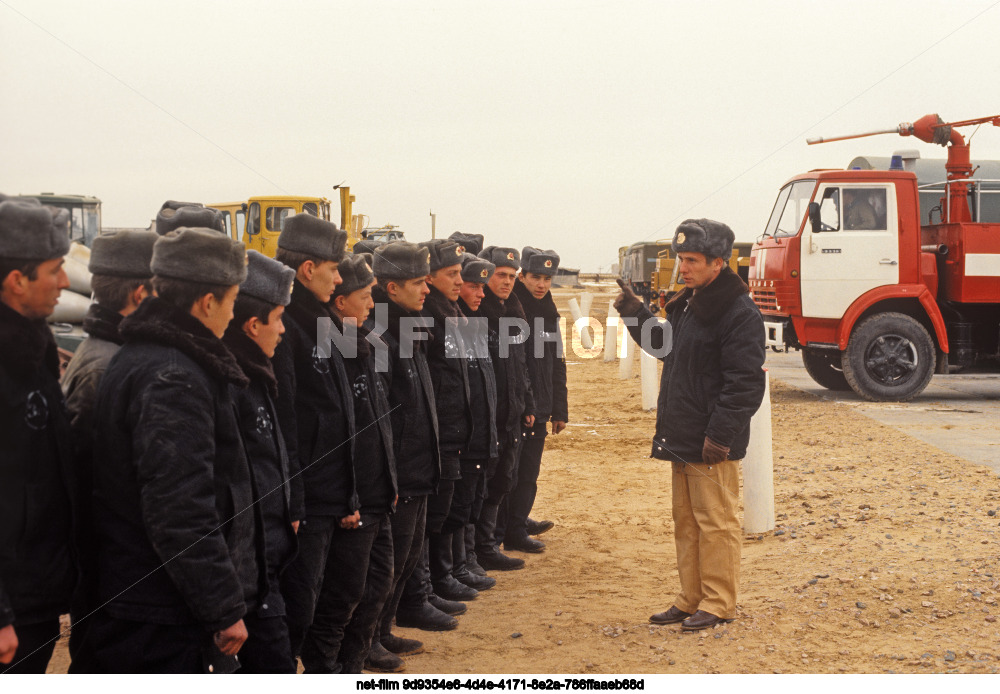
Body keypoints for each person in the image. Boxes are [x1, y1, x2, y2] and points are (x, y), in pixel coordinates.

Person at [84, 227, 256, 672]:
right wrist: (221, 605)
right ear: (206, 302)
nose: (233, 316)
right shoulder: (174, 377)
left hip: (147, 595)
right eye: (233, 302)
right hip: (156, 608)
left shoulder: (147, 354)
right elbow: (179, 508)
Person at [614, 218, 765, 632]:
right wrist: (636, 313)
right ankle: (691, 597)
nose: (684, 268)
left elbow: (746, 383)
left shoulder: (737, 312)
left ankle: (718, 602)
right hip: (684, 435)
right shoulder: (692, 303)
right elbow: (668, 351)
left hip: (710, 441)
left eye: (693, 260)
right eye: (681, 259)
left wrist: (720, 436)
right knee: (687, 520)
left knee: (716, 522)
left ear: (719, 263)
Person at [60, 228, 157, 669]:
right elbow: (88, 487)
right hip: (111, 576)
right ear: (140, 294)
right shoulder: (106, 366)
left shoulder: (111, 353)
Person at [365, 242, 450, 672]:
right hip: (399, 467)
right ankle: (367, 640)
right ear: (391, 285)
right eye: (418, 282)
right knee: (386, 562)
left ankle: (382, 631)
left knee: (407, 554)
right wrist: (391, 475)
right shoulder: (379, 332)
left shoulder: (410, 324)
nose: (426, 288)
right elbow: (381, 411)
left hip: (418, 461)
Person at [0, 197, 75, 673]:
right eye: (55, 269)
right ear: (16, 280)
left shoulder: (34, 347)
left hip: (36, 594)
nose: (66, 282)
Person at [221, 250, 298, 673]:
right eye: (277, 319)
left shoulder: (253, 369)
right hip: (244, 568)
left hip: (263, 558)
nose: (283, 330)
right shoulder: (230, 381)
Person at [502, 247, 567, 554]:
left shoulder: (549, 311)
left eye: (547, 279)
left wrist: (559, 409)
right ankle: (511, 529)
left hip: (540, 404)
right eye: (535, 277)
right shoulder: (511, 309)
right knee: (511, 472)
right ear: (522, 276)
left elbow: (557, 363)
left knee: (529, 472)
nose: (542, 285)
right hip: (518, 405)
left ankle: (517, 521)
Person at [474, 246, 535, 572]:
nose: (507, 281)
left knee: (501, 481)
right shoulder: (475, 312)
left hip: (510, 413)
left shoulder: (513, 311)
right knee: (482, 485)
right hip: (488, 414)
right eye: (501, 275)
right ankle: (478, 550)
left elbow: (520, 365)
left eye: (512, 276)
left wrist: (526, 402)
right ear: (486, 275)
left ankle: (488, 546)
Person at [449, 253, 499, 592]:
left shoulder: (473, 322)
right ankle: (453, 567)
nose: (480, 294)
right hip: (463, 436)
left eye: (483, 287)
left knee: (472, 497)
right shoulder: (453, 324)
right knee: (458, 503)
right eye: (473, 286)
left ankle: (465, 559)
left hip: (480, 432)